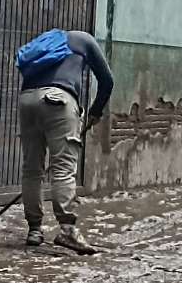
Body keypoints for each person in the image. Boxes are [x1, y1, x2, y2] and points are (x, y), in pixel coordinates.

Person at [17, 29, 114, 255]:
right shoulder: (85, 40)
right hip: (58, 99)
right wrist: (95, 112)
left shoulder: (46, 43)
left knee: (32, 169)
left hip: (27, 99)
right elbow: (107, 81)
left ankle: (34, 229)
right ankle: (67, 230)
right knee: (63, 169)